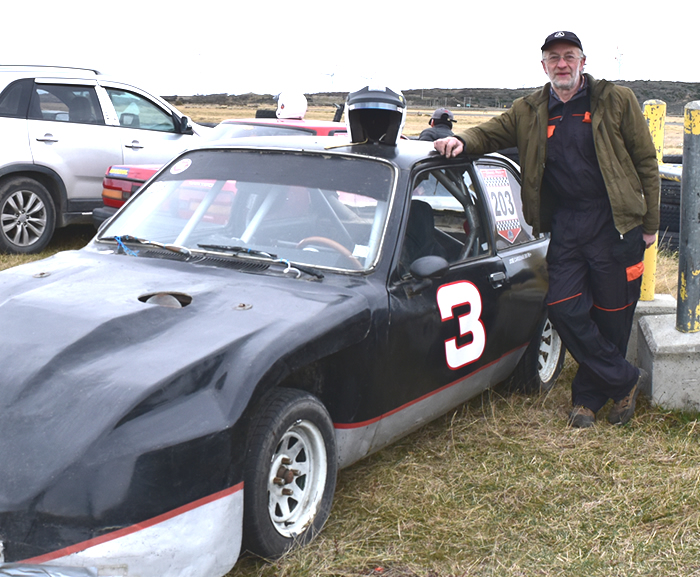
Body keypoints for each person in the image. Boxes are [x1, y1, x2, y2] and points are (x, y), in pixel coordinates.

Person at [434, 30, 660, 428]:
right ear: (543, 66)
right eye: (553, 57)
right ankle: (624, 378)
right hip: (567, 222)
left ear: (583, 62)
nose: (562, 64)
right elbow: (490, 132)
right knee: (563, 306)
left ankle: (587, 399)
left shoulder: (616, 99)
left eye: (569, 56)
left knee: (611, 314)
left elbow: (646, 162)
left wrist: (651, 224)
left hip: (615, 222)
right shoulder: (530, 109)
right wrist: (460, 140)